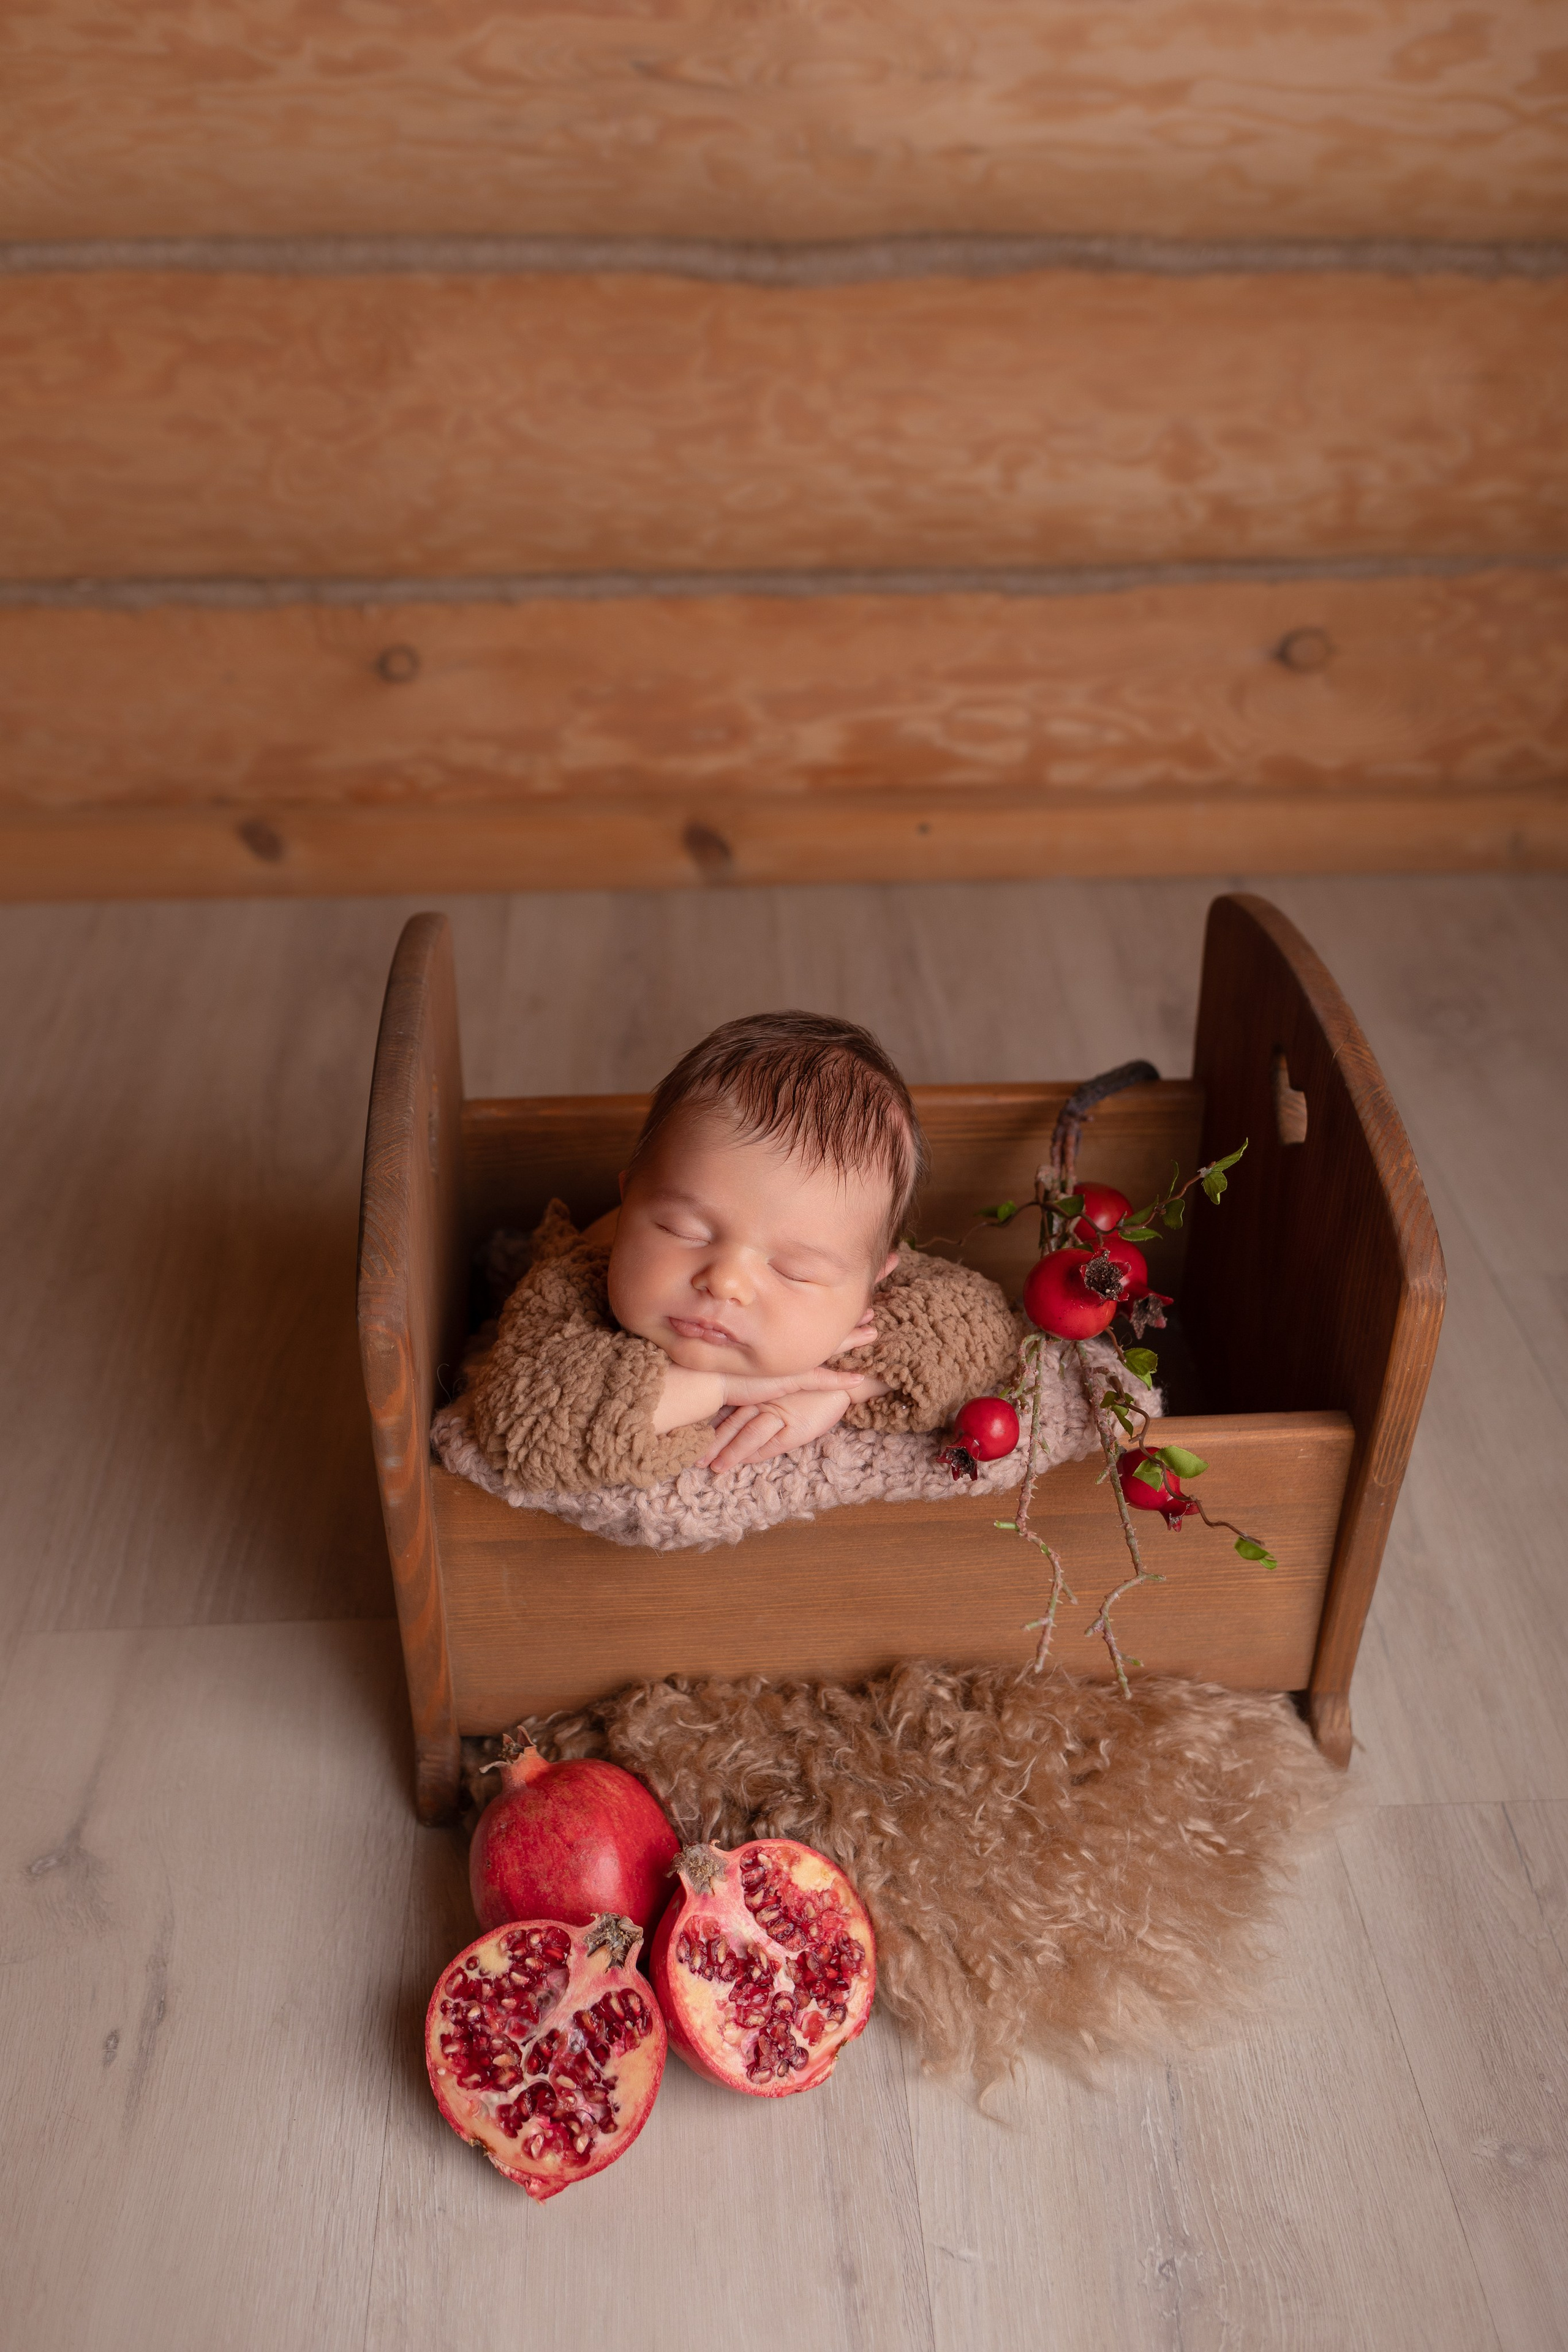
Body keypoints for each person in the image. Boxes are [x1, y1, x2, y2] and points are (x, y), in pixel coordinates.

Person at [469, 1011, 1019, 1493]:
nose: (726, 1281)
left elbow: (980, 1325)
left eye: (793, 1271)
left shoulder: (851, 1271)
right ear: (629, 1199)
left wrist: (843, 1391)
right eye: (683, 1230)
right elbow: (526, 1420)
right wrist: (724, 1386)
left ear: (871, 1284)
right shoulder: (570, 1284)